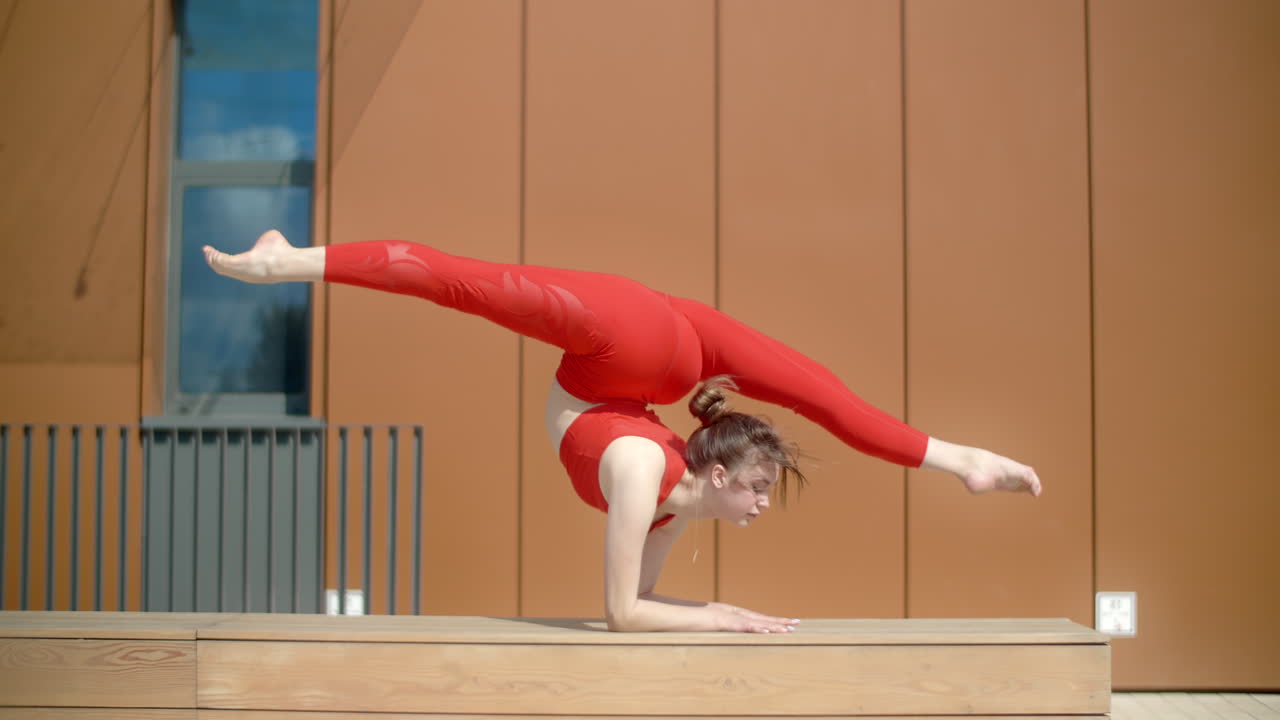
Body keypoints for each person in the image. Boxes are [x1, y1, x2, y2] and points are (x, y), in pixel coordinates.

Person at [204, 230, 1042, 634]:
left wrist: (708, 617)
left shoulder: (672, 485)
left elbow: (629, 614)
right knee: (463, 285)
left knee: (829, 400)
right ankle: (285, 261)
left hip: (661, 351)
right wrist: (727, 617)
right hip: (627, 338)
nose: (760, 506)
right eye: (757, 490)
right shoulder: (647, 469)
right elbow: (621, 612)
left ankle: (963, 459)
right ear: (717, 476)